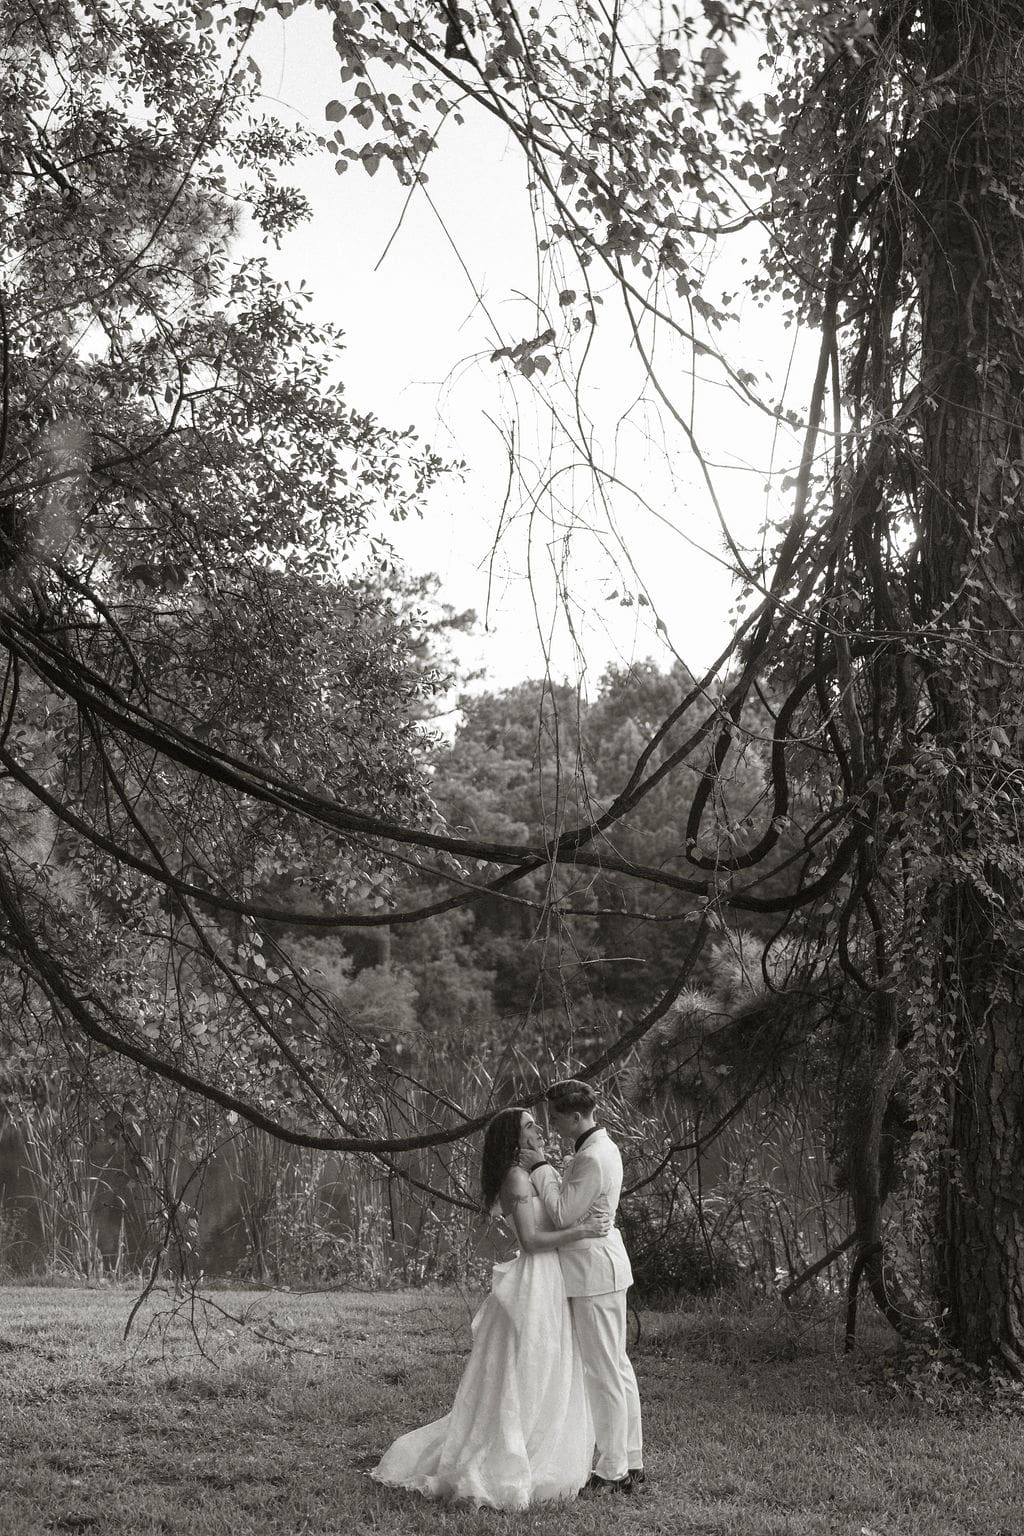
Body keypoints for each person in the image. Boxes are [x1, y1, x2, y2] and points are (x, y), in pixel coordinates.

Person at [368, 1106, 610, 1510]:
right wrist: (584, 1230)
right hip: (535, 1276)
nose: (538, 1129)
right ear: (513, 1140)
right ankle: (507, 1458)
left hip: (551, 1277)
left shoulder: (530, 1172)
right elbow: (531, 1240)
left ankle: (540, 1448)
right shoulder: (516, 1177)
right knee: (527, 1365)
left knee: (549, 1364)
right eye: (529, 1126)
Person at [522, 1077, 645, 1495]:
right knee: (617, 1366)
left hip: (595, 1274)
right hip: (602, 1268)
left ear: (576, 1117)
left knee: (603, 1371)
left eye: (555, 1119)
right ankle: (630, 1458)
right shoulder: (599, 1146)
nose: (551, 1126)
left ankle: (613, 1471)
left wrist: (539, 1167)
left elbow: (561, 1214)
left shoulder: (592, 1157)